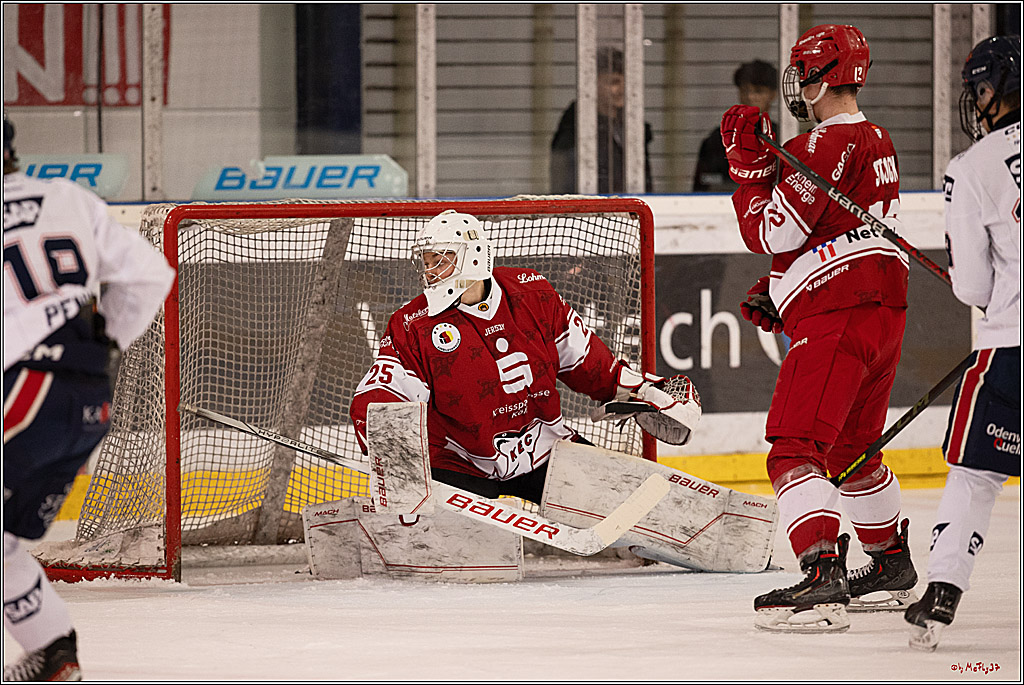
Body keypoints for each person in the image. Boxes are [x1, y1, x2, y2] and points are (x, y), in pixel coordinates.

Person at [720, 24, 919, 633]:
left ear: (821, 76)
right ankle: (890, 564)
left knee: (794, 446)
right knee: (851, 450)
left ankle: (821, 575)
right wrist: (782, 285)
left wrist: (748, 165)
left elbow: (770, 232)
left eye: (802, 73)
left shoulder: (820, 148)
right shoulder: (878, 137)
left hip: (840, 315)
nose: (796, 87)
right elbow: (838, 233)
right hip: (883, 312)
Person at [350, 210, 698, 505]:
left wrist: (645, 389)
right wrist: (382, 438)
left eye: (440, 260)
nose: (430, 271)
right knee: (464, 552)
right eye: (427, 262)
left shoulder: (533, 295)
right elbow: (383, 391)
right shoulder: (413, 324)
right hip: (458, 462)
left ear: (472, 256)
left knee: (627, 507)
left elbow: (591, 364)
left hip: (546, 447)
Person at [3, 115, 175, 681]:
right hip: (86, 400)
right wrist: (99, 349)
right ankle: (55, 654)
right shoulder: (66, 197)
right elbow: (151, 274)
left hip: (21, 390)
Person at [904, 35, 1021, 652]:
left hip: (1012, 348)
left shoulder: (973, 167)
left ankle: (944, 589)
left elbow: (972, 284)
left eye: (979, 88)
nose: (976, 101)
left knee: (976, 472)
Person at [550, 47, 654, 194]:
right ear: (592, 85)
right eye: (614, 82)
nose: (623, 89)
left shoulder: (632, 125)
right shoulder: (575, 130)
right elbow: (566, 186)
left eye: (627, 82)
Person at [693, 60, 778, 193]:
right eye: (745, 91)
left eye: (758, 91)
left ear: (773, 95)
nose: (750, 97)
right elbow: (703, 187)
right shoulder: (717, 140)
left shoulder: (783, 136)